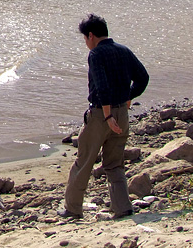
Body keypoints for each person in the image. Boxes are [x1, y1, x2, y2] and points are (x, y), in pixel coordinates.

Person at [58, 14, 149, 222]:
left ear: (91, 35)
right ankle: (122, 207)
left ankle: (72, 208)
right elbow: (143, 78)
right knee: (115, 163)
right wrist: (128, 97)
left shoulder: (96, 54)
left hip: (101, 114)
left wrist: (107, 116)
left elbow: (102, 86)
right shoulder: (123, 51)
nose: (86, 43)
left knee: (84, 161)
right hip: (122, 113)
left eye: (85, 39)